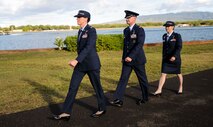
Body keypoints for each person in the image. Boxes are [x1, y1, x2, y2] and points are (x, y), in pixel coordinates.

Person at [54, 10, 106, 120]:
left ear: (86, 18)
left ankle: (102, 108)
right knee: (72, 87)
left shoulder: (91, 30)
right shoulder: (80, 31)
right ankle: (66, 112)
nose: (77, 19)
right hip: (81, 65)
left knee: (97, 87)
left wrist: (76, 60)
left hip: (92, 64)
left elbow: (89, 47)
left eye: (79, 17)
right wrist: (79, 61)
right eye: (77, 17)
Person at [110, 10, 149, 107]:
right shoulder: (126, 30)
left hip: (137, 59)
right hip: (127, 60)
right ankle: (118, 99)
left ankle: (145, 98)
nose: (127, 19)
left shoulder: (140, 29)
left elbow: (139, 44)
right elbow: (126, 46)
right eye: (126, 18)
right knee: (123, 78)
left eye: (129, 18)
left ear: (134, 18)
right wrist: (124, 58)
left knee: (142, 79)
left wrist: (131, 56)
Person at [152, 21, 183, 96]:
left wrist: (174, 56)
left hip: (175, 58)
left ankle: (181, 87)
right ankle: (159, 90)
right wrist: (163, 56)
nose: (166, 28)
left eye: (168, 26)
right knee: (163, 73)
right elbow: (164, 48)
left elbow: (179, 47)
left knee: (178, 73)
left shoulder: (177, 36)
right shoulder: (164, 36)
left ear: (173, 27)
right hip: (166, 59)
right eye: (166, 26)